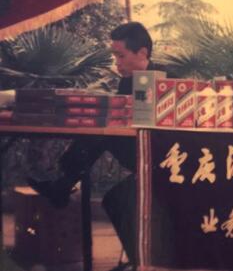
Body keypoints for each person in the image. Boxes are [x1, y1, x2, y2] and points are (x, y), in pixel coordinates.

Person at [29, 22, 163, 271]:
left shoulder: (166, 79)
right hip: (136, 151)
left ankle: (64, 183)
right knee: (101, 130)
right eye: (115, 57)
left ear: (142, 53)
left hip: (158, 160)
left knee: (103, 139)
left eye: (121, 56)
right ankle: (139, 262)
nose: (117, 64)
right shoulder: (127, 82)